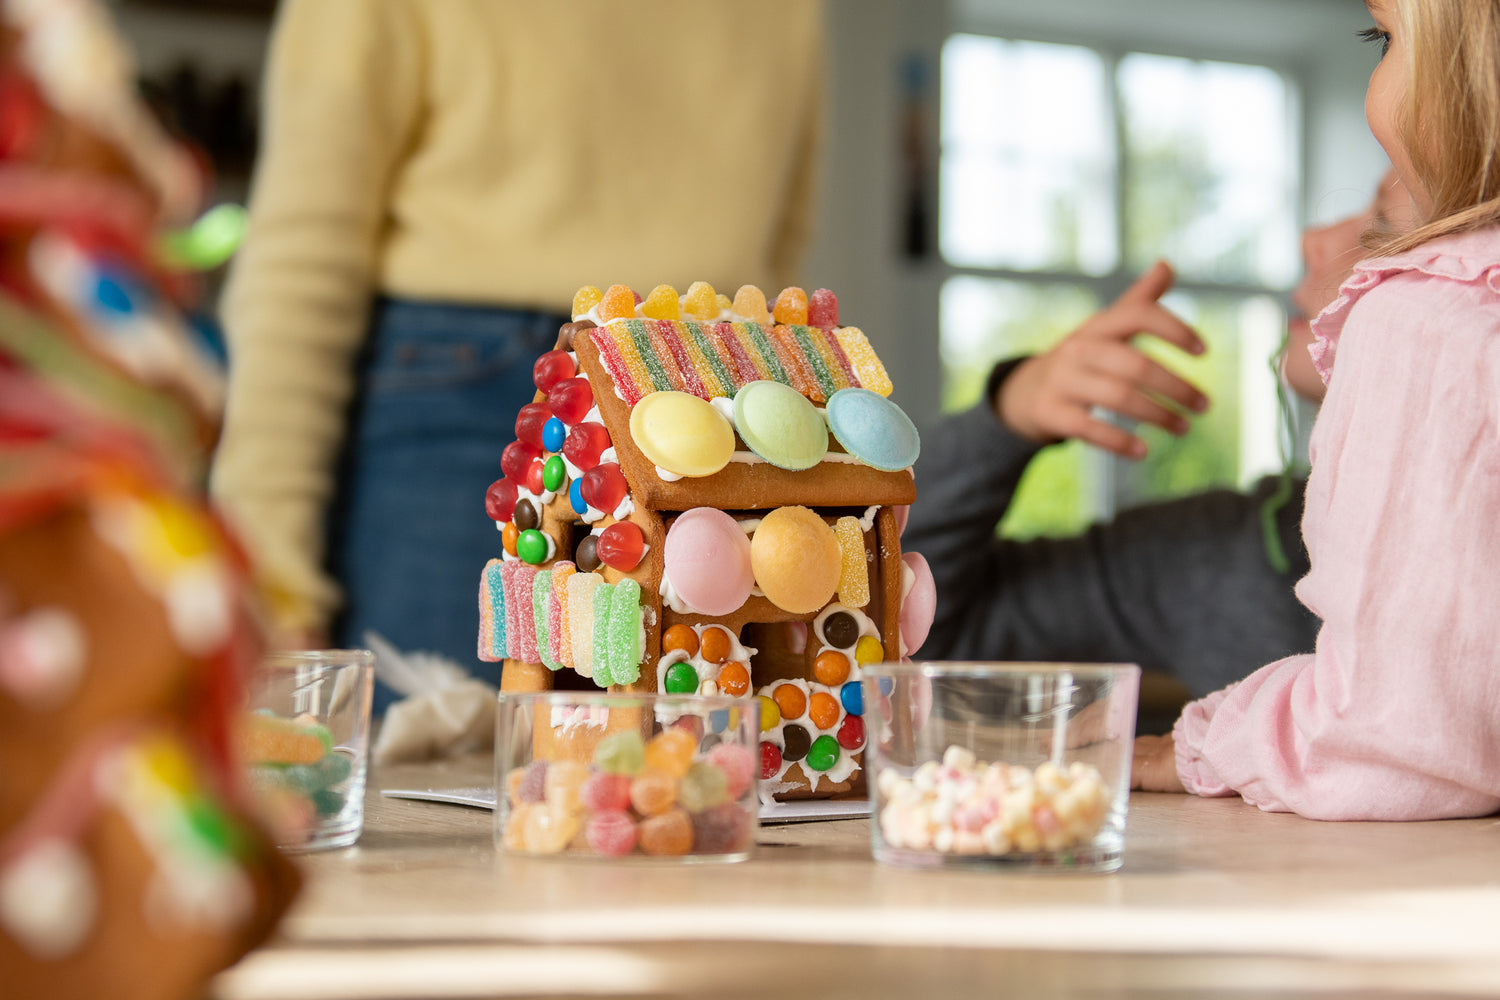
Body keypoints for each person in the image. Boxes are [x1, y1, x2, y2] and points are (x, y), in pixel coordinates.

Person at [209, 1, 826, 694]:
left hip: (702, 401)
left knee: (676, 784)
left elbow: (778, 268)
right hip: (524, 398)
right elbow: (304, 259)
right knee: (440, 772)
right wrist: (270, 585)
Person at [1132, 0, 1500, 821]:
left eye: (1386, 35)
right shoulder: (1187, 546)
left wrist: (1204, 741)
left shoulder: (1427, 322)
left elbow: (1392, 738)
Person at [904, 171, 1410, 703]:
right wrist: (1006, 418)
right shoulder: (1226, 555)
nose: (1315, 238)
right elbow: (919, 635)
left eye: (1385, 217)